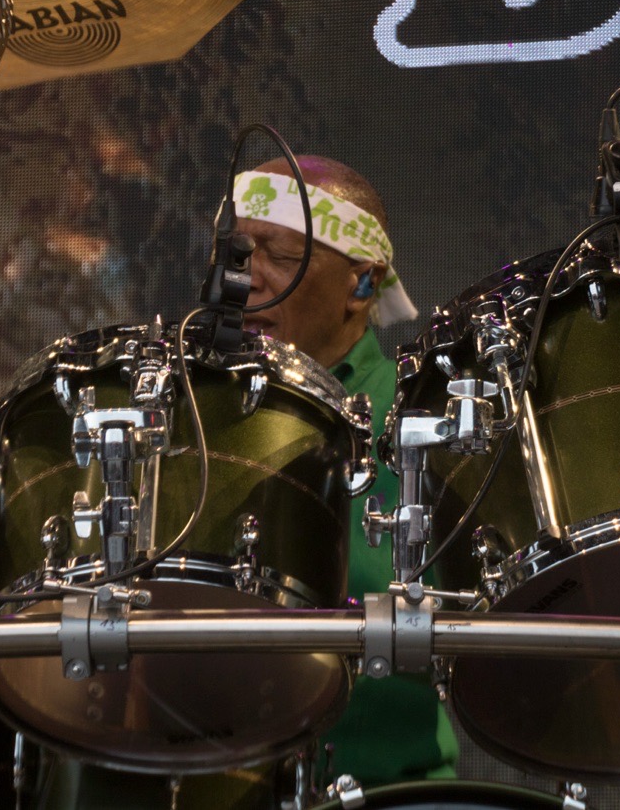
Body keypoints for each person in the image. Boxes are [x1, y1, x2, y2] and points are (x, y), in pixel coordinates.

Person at [232, 156, 459, 786]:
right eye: (236, 252)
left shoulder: (425, 415)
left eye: (280, 254)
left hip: (392, 791)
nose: (245, 276)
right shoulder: (189, 409)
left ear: (362, 283)